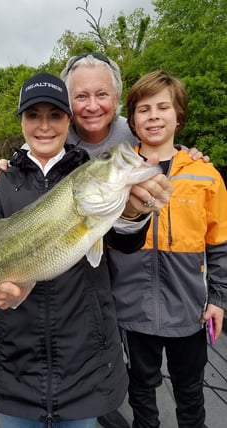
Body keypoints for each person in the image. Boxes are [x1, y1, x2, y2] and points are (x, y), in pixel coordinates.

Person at [0, 54, 209, 428]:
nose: (45, 125)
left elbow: (159, 144)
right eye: (33, 116)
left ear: (116, 100)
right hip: (17, 359)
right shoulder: (5, 177)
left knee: (172, 389)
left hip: (95, 330)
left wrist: (177, 165)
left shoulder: (120, 147)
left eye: (102, 94)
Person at [109, 70, 227, 428]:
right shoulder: (115, 169)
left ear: (179, 116)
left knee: (191, 392)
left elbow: (220, 246)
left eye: (163, 107)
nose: (154, 116)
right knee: (141, 389)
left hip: (187, 311)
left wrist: (218, 300)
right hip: (131, 308)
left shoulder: (207, 175)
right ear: (131, 120)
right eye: (144, 109)